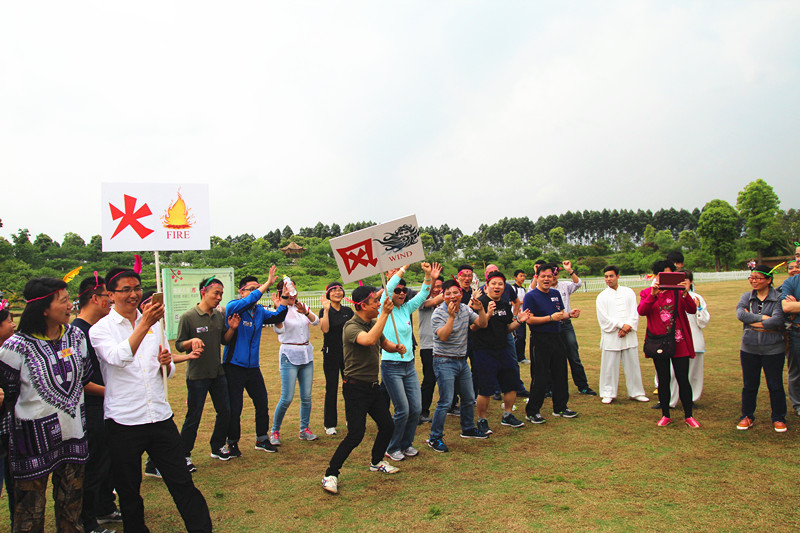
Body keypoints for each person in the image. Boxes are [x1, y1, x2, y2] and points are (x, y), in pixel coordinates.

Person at [90, 267, 212, 533]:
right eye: (126, 290)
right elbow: (119, 357)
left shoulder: (154, 325)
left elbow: (168, 370)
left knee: (181, 482)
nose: (134, 294)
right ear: (111, 295)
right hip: (123, 421)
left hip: (159, 416)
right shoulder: (101, 330)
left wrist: (166, 364)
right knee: (129, 490)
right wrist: (144, 323)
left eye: (137, 288)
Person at [0, 277, 92, 532]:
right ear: (43, 308)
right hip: (31, 442)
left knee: (72, 505)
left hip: (73, 434)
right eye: (63, 301)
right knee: (29, 510)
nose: (69, 305)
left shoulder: (75, 336)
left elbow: (84, 375)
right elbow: (7, 393)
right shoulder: (15, 347)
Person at [322, 286, 407, 495]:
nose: (379, 304)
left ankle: (376, 461)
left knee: (387, 426)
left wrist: (395, 347)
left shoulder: (371, 323)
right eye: (374, 302)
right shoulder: (351, 327)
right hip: (355, 388)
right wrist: (385, 314)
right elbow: (368, 340)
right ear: (362, 305)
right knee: (356, 434)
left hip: (372, 386)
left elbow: (382, 342)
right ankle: (330, 474)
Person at [73, 274, 122, 533]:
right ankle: (87, 520)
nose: (111, 303)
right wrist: (117, 392)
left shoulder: (98, 329)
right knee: (94, 466)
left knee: (108, 462)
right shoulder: (76, 333)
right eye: (108, 297)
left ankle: (105, 507)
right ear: (95, 298)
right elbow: (81, 382)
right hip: (90, 408)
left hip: (105, 404)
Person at [222, 266, 288, 455]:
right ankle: (232, 442)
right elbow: (251, 299)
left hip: (253, 367)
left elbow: (278, 316)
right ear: (241, 292)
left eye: (257, 288)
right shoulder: (234, 307)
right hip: (233, 365)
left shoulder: (258, 311)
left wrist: (283, 299)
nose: (255, 292)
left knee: (262, 402)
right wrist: (267, 283)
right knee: (236, 406)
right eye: (251, 289)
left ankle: (262, 439)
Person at [175, 276, 236, 470]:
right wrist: (190, 341)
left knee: (225, 411)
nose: (219, 298)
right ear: (204, 292)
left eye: (221, 294)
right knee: (194, 416)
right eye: (216, 293)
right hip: (197, 375)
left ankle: (217, 446)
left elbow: (224, 341)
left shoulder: (218, 316)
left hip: (217, 373)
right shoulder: (188, 317)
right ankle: (184, 455)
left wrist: (232, 329)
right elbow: (178, 345)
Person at [380, 262, 438, 461]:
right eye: (397, 291)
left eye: (404, 290)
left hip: (409, 365)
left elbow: (423, 294)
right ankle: (392, 446)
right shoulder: (384, 307)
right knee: (402, 409)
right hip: (391, 365)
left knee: (415, 407)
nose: (401, 293)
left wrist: (428, 275)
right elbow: (388, 289)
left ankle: (406, 444)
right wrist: (401, 269)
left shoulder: (406, 309)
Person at [426, 279, 490, 452]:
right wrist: (451, 318)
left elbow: (483, 324)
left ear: (461, 294)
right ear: (443, 296)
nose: (452, 296)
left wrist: (482, 309)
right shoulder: (438, 313)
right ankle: (434, 437)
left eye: (455, 293)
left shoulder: (465, 309)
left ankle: (468, 428)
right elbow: (444, 337)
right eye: (448, 294)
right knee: (446, 401)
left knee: (469, 398)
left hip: (461, 360)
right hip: (444, 360)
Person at [637, 260, 698, 428]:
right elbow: (642, 311)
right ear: (656, 275)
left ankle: (688, 415)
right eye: (664, 275)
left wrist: (686, 293)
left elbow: (692, 310)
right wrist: (653, 294)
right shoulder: (647, 292)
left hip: (679, 342)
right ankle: (665, 414)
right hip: (659, 342)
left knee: (683, 379)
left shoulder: (678, 293)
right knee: (663, 380)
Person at [473, 271, 529, 434]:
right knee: (486, 388)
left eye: (500, 284)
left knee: (511, 384)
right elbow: (475, 327)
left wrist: (519, 320)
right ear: (487, 285)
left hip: (504, 348)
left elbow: (506, 329)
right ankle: (482, 420)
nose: (497, 287)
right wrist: (486, 313)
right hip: (484, 350)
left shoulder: (505, 303)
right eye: (494, 283)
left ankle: (508, 415)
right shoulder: (479, 302)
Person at [523, 263, 579, 424]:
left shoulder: (555, 293)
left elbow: (560, 314)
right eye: (543, 276)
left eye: (549, 276)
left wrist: (569, 314)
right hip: (540, 339)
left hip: (557, 336)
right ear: (537, 278)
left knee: (560, 373)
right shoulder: (531, 296)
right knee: (540, 376)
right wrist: (550, 318)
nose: (546, 279)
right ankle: (533, 411)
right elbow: (530, 320)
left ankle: (560, 407)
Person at [269, 278, 320, 445]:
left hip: (306, 354)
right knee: (287, 397)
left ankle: (304, 429)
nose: (293, 294)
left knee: (306, 396)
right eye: (289, 291)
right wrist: (279, 310)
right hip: (289, 354)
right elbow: (279, 330)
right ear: (281, 293)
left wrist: (305, 312)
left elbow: (316, 321)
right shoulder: (279, 310)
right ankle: (275, 431)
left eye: (294, 290)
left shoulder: (301, 306)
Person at [737, 265, 787, 432]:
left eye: (758, 278)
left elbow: (777, 321)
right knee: (749, 385)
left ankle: (779, 417)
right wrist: (763, 318)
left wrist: (752, 322)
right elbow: (740, 314)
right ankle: (747, 415)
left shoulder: (779, 298)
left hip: (773, 349)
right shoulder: (747, 297)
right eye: (751, 277)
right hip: (749, 348)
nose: (754, 281)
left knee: (775, 385)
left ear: (769, 280)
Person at [595, 266, 648, 404]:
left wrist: (628, 327)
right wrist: (620, 325)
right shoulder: (601, 296)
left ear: (618, 276)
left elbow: (634, 312)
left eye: (611, 276)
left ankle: (636, 392)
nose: (608, 279)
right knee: (609, 366)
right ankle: (608, 392)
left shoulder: (629, 292)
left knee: (633, 365)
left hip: (629, 334)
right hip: (612, 336)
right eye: (606, 276)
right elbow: (603, 319)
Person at [663, 271, 709, 409]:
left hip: (695, 340)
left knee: (694, 373)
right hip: (676, 341)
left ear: (690, 282)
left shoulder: (697, 297)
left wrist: (699, 308)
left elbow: (703, 322)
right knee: (673, 372)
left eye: (686, 281)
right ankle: (670, 400)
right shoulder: (670, 296)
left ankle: (692, 399)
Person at [552, 261, 596, 395]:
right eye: (550, 274)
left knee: (574, 356)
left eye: (555, 274)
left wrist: (569, 270)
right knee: (553, 359)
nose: (553, 277)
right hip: (551, 326)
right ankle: (552, 388)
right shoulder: (543, 289)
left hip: (566, 325)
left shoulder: (564, 285)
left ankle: (583, 386)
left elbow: (578, 284)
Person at [319, 281, 354, 435]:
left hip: (348, 354)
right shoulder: (324, 310)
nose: (338, 292)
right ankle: (330, 424)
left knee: (350, 387)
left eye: (340, 290)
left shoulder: (348, 311)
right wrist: (326, 310)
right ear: (328, 294)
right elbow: (325, 329)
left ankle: (351, 418)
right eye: (334, 290)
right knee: (331, 388)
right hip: (331, 353)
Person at [417, 275, 444, 424]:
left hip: (446, 346)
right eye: (434, 287)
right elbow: (431, 299)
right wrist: (431, 279)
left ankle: (452, 405)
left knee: (448, 379)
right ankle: (423, 411)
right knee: (429, 380)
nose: (437, 289)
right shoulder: (422, 303)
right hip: (429, 347)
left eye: (440, 286)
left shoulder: (447, 303)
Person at [0, 299, 17, 523]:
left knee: (15, 486)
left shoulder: (10, 353)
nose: (13, 325)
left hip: (9, 432)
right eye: (9, 321)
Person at [780, 244, 800, 416]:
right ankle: (798, 404)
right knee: (795, 371)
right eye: (797, 255)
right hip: (796, 332)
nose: (798, 259)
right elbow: (785, 307)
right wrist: (791, 307)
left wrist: (796, 306)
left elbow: (792, 306)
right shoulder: (791, 282)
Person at [511, 270, 530, 364]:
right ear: (515, 277)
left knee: (523, 337)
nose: (523, 278)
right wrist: (521, 302)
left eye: (523, 276)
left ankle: (521, 357)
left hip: (523, 316)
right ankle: (514, 356)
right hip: (515, 317)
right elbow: (512, 301)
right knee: (518, 336)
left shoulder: (523, 289)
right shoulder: (513, 289)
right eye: (520, 276)